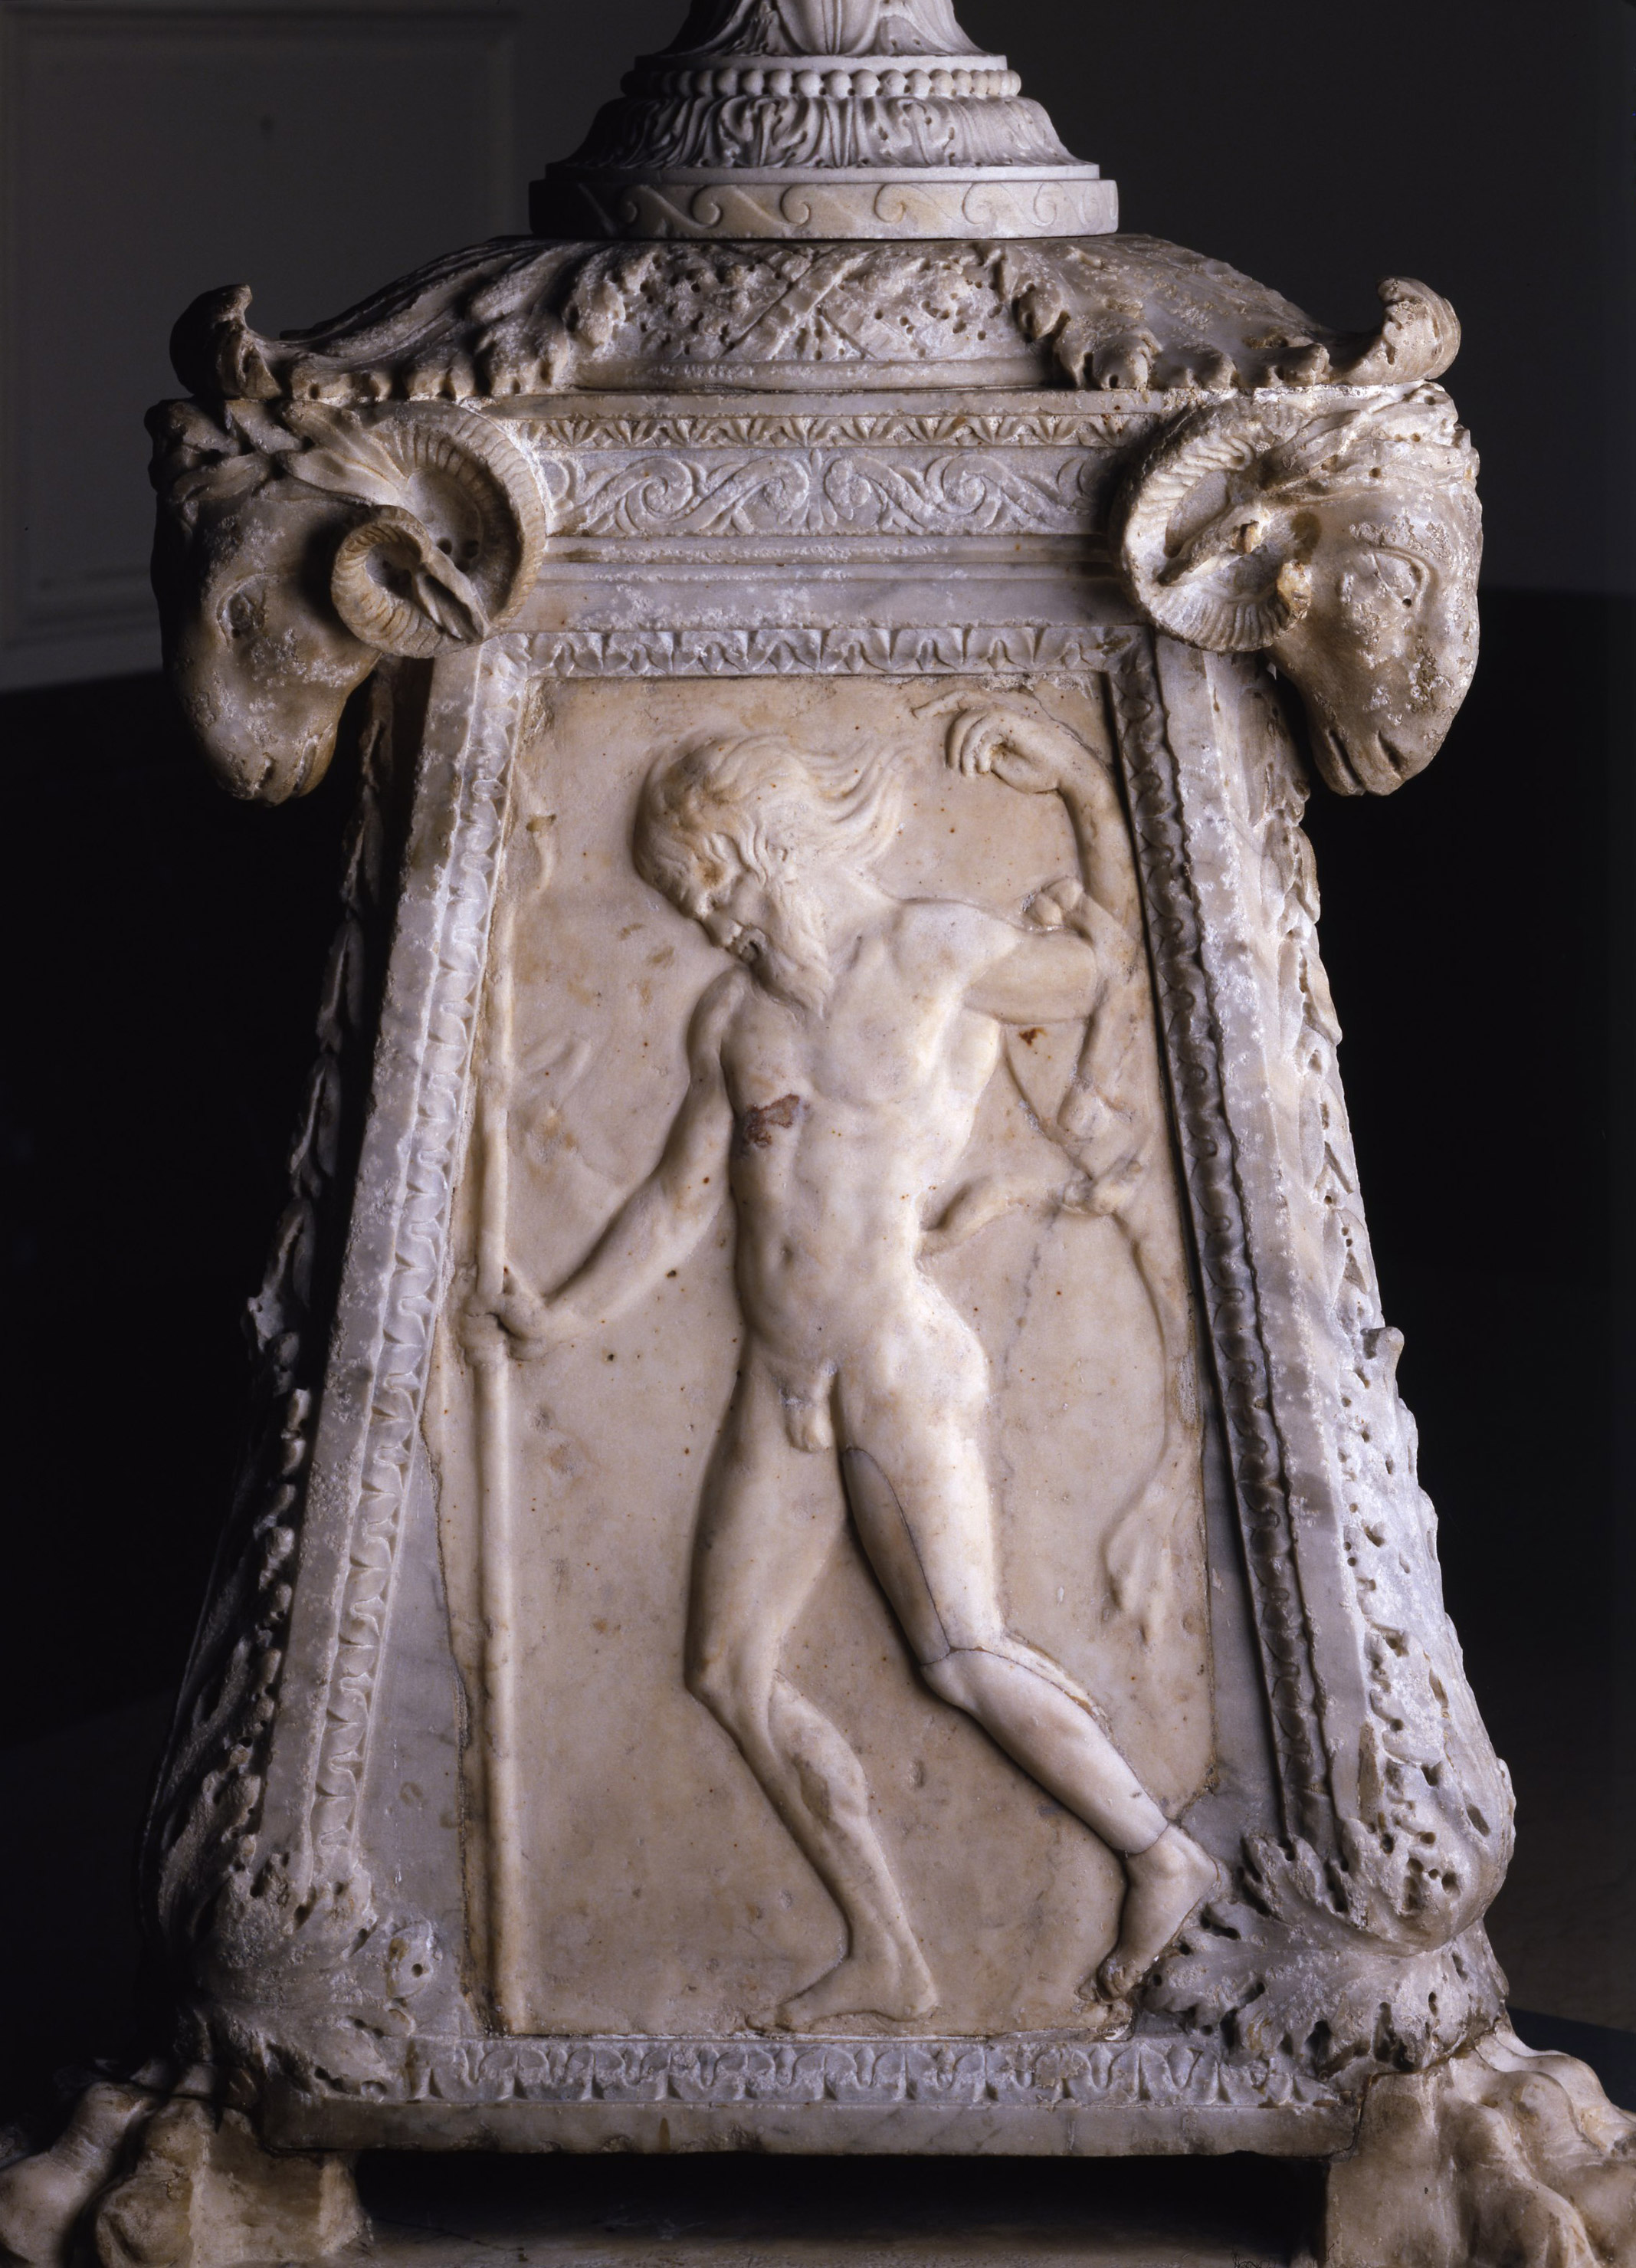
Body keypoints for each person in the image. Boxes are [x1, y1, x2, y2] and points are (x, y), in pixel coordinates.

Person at [467, 696, 1218, 2027]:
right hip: (781, 1381)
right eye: (692, 906)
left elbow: (1115, 974)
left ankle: (1161, 1854)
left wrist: (1089, 797)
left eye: (714, 890)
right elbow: (679, 1202)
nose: (712, 922)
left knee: (959, 1652)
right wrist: (563, 1316)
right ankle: (888, 1951)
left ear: (770, 848)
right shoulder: (737, 1021)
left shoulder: (935, 949)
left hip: (894, 1360)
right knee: (728, 1671)